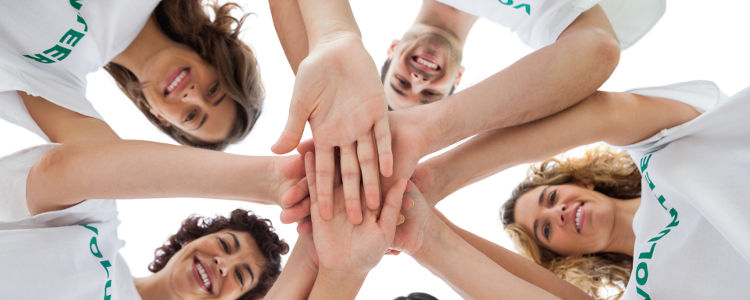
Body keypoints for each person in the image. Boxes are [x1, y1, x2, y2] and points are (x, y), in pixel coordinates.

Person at [403, 80, 750, 298]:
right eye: (546, 229)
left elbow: (606, 113)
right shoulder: (646, 291)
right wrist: (421, 224)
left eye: (551, 198)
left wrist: (433, 179)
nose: (559, 213)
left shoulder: (657, 148)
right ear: (567, 258)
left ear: (581, 182)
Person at [0, 141, 291, 299]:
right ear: (192, 239)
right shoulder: (99, 229)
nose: (223, 264)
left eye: (240, 277)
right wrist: (267, 180)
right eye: (224, 245)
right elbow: (58, 171)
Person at [0, 0, 262, 150]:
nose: (192, 95)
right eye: (213, 90)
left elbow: (97, 162)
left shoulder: (60, 79)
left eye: (191, 115)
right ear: (216, 60)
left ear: (160, 118)